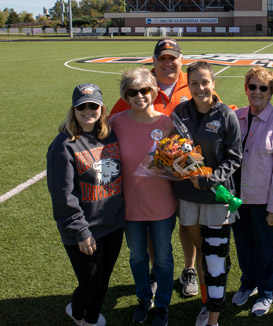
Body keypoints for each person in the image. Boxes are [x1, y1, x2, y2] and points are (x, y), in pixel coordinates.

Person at [109, 37, 231, 298]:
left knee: (189, 226)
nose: (167, 63)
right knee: (154, 231)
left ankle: (188, 269)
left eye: (172, 58)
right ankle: (156, 271)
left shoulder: (193, 84)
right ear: (153, 61)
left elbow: (218, 114)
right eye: (161, 58)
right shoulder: (141, 85)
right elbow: (112, 124)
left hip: (188, 178)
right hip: (151, 180)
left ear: (180, 59)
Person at [47, 83, 125, 326]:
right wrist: (80, 231)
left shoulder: (109, 134)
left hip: (113, 223)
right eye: (82, 106)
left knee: (103, 280)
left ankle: (91, 318)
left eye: (94, 105)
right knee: (90, 282)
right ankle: (77, 310)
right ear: (74, 109)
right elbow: (63, 196)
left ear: (101, 108)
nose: (88, 110)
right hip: (85, 229)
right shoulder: (64, 145)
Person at [173, 61, 242, 326]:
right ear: (187, 85)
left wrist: (211, 178)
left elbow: (235, 157)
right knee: (202, 253)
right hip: (188, 197)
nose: (200, 88)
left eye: (205, 82)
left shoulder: (226, 114)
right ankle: (205, 302)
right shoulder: (181, 111)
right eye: (194, 83)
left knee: (213, 259)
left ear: (214, 84)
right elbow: (173, 148)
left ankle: (212, 314)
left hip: (216, 197)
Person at [109, 67, 177, 326]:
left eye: (145, 90)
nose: (140, 96)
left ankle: (162, 306)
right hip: (129, 206)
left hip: (162, 204)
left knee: (162, 256)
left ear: (154, 91)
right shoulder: (116, 123)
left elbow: (179, 162)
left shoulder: (167, 124)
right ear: (125, 96)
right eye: (133, 91)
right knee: (137, 256)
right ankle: (143, 299)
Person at [231, 67, 273, 316]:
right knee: (244, 247)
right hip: (237, 200)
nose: (257, 92)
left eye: (263, 88)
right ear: (246, 89)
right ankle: (248, 283)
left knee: (265, 249)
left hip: (263, 201)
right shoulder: (235, 116)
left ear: (270, 92)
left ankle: (267, 291)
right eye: (252, 86)